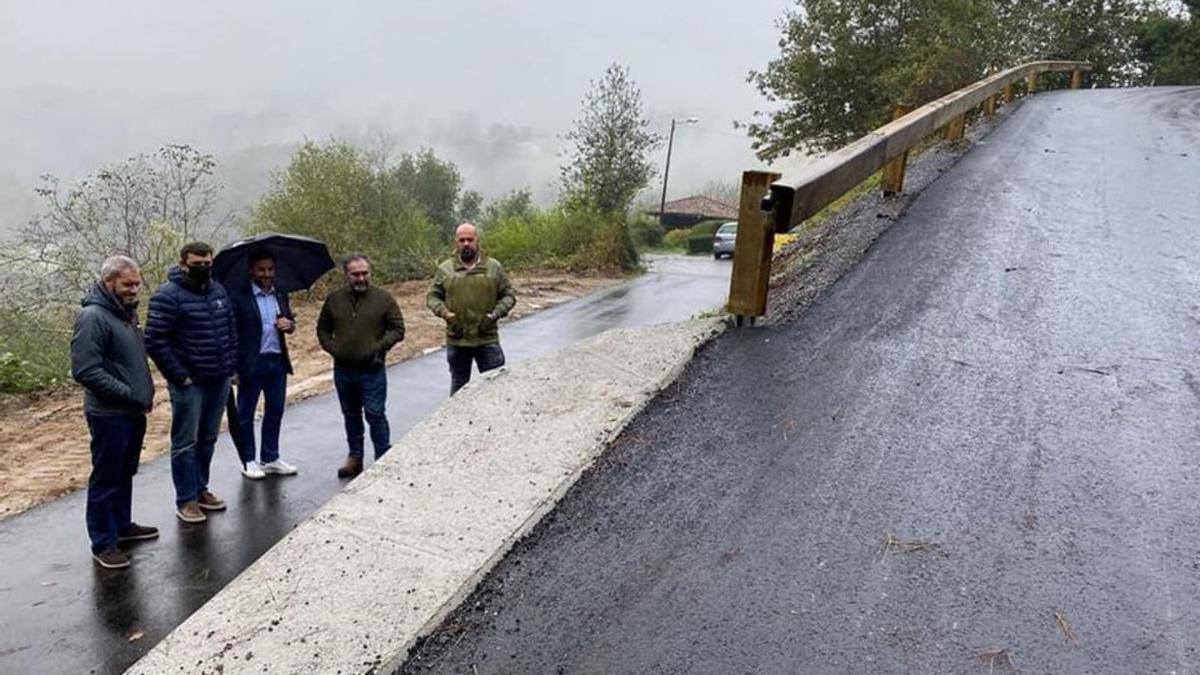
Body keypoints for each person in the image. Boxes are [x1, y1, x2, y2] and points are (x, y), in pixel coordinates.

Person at [70, 256, 158, 569]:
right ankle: (103, 542)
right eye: (128, 284)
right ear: (109, 283)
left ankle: (122, 526)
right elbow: (85, 370)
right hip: (109, 413)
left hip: (132, 410)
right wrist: (128, 393)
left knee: (125, 471)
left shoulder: (126, 314)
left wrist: (143, 394)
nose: (135, 289)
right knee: (106, 477)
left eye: (137, 283)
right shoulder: (93, 317)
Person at [144, 242, 238, 524]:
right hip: (189, 383)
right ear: (183, 263)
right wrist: (179, 375)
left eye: (207, 263)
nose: (203, 268)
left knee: (208, 438)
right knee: (186, 442)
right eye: (197, 264)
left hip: (218, 378)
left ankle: (201, 489)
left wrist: (231, 366)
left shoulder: (218, 290)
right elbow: (154, 340)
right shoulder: (167, 296)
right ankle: (185, 500)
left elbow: (230, 330)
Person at [317, 253, 405, 478]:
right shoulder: (334, 299)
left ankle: (383, 457)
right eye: (355, 274)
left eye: (365, 273)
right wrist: (333, 348)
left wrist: (378, 347)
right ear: (346, 275)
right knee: (350, 414)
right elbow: (323, 329)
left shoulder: (383, 298)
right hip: (344, 369)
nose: (361, 278)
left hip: (372, 369)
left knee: (375, 413)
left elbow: (398, 329)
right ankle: (355, 457)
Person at [230, 249, 298, 480]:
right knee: (245, 414)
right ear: (251, 270)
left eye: (270, 269)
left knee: (275, 410)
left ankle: (270, 457)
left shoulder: (280, 294)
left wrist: (289, 324)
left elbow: (290, 322)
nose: (266, 274)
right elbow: (232, 334)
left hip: (277, 360)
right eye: (261, 269)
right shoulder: (238, 297)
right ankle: (248, 459)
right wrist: (234, 368)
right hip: (251, 363)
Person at [426, 222, 517, 395]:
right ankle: (458, 422)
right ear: (456, 242)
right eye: (462, 240)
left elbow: (508, 296)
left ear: (477, 240)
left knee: (496, 389)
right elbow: (432, 296)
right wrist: (445, 313)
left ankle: (497, 421)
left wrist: (496, 313)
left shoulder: (493, 267)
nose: (466, 244)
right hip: (458, 339)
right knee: (459, 390)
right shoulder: (445, 269)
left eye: (470, 239)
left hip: (487, 338)